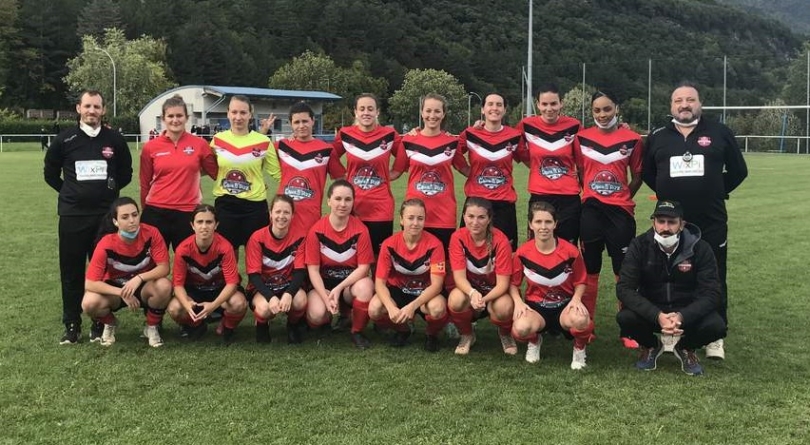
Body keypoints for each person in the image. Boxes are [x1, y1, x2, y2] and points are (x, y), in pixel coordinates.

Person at [643, 82, 748, 360]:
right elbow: (648, 173)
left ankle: (714, 336)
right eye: (679, 100)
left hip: (711, 221)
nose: (684, 105)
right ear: (671, 106)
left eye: (690, 99)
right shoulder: (658, 136)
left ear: (700, 103)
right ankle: (671, 330)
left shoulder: (719, 132)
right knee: (669, 277)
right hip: (670, 224)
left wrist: (716, 189)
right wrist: (669, 194)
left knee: (713, 278)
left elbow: (739, 171)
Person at [44, 89, 132, 345]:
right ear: (78, 109)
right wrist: (71, 193)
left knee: (102, 271)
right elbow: (50, 174)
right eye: (87, 106)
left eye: (97, 107)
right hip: (72, 216)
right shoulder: (65, 139)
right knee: (71, 271)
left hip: (105, 218)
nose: (92, 111)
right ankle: (72, 324)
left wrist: (108, 193)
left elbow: (125, 173)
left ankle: (99, 320)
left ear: (103, 110)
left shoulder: (114, 139)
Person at [616, 200, 726, 376]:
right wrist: (657, 316)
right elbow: (624, 288)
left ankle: (686, 348)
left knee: (717, 326)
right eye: (661, 221)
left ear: (682, 225)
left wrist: (683, 316)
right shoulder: (639, 245)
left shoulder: (701, 248)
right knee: (625, 318)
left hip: (686, 313)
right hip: (653, 312)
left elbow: (712, 293)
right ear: (654, 223)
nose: (665, 227)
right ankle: (651, 346)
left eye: (672, 222)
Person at [573, 90, 643, 349]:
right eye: (597, 110)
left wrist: (623, 195)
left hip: (621, 214)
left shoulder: (633, 139)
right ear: (591, 112)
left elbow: (637, 174)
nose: (602, 114)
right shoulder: (581, 138)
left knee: (622, 273)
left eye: (607, 109)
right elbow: (580, 171)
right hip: (590, 211)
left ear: (616, 108)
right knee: (590, 271)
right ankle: (587, 324)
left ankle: (628, 328)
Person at [510, 201, 594, 370]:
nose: (543, 227)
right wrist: (518, 303)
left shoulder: (570, 252)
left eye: (548, 222)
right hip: (536, 308)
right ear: (530, 224)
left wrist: (576, 299)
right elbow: (513, 283)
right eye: (538, 222)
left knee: (582, 321)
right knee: (520, 328)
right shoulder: (522, 253)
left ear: (555, 224)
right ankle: (534, 341)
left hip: (565, 306)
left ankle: (579, 349)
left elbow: (581, 280)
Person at [80, 197, 172, 348]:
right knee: (89, 303)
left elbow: (164, 268)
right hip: (116, 290)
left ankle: (151, 327)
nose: (132, 220)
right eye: (125, 217)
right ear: (115, 222)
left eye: (135, 215)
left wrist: (139, 278)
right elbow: (90, 283)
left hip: (143, 286)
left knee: (164, 285)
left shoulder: (151, 233)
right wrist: (122, 292)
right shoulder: (106, 243)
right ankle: (110, 324)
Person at [368, 198, 449, 352]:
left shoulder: (435, 244)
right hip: (398, 291)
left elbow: (437, 285)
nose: (415, 223)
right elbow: (379, 283)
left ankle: (431, 334)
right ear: (401, 219)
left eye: (420, 218)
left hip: (425, 293)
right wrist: (391, 307)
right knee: (374, 309)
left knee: (437, 308)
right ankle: (403, 329)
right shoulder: (389, 244)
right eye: (410, 218)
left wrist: (413, 306)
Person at [140, 94, 218, 251]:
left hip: (188, 212)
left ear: (186, 117)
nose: (175, 120)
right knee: (153, 262)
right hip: (156, 211)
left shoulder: (200, 144)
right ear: (163, 118)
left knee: (188, 262)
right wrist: (145, 209)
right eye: (170, 116)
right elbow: (144, 182)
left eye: (179, 116)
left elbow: (216, 172)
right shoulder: (151, 147)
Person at [392, 93, 468, 251]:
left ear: (443, 114)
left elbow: (465, 169)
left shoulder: (452, 143)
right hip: (414, 213)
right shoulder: (407, 141)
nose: (432, 115)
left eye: (437, 111)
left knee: (443, 262)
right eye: (428, 111)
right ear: (421, 112)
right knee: (413, 259)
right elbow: (396, 172)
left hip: (444, 214)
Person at [304, 180, 375, 349]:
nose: (342, 204)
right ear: (328, 201)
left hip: (349, 285)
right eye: (338, 199)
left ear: (353, 202)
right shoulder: (316, 230)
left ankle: (356, 331)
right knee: (317, 314)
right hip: (324, 285)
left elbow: (364, 268)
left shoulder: (361, 229)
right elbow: (313, 270)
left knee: (366, 286)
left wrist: (339, 288)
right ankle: (326, 322)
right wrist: (325, 296)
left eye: (348, 199)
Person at [333, 93, 404, 257]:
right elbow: (329, 156)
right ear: (355, 112)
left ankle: (377, 284)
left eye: (370, 109)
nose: (366, 113)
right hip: (352, 206)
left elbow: (404, 156)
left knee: (379, 257)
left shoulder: (389, 135)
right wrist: (343, 178)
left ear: (377, 112)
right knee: (352, 256)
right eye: (362, 109)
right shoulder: (345, 134)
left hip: (381, 207)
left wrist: (393, 174)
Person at [166, 205, 247, 344]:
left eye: (209, 222)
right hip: (195, 290)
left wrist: (213, 305)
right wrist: (186, 304)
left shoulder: (225, 247)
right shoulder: (183, 250)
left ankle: (228, 326)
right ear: (192, 225)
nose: (204, 226)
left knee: (238, 303)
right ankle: (196, 325)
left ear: (216, 225)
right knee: (175, 308)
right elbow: (178, 284)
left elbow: (232, 283)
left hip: (220, 289)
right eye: (199, 222)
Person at [210, 95, 279, 256]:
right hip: (225, 205)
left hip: (254, 207)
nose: (238, 117)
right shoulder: (217, 140)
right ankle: (233, 282)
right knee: (228, 253)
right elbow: (207, 168)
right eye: (234, 112)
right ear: (227, 113)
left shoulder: (263, 142)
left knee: (255, 253)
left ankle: (253, 282)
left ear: (250, 114)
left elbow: (278, 174)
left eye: (243, 112)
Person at [447, 197, 515, 355]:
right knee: (455, 300)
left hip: (495, 292)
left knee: (504, 307)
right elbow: (459, 277)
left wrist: (483, 300)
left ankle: (505, 334)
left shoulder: (501, 241)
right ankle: (467, 335)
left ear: (489, 219)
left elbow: (503, 284)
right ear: (463, 217)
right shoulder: (457, 238)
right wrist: (472, 293)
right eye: (470, 216)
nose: (475, 222)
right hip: (471, 290)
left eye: (481, 217)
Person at [516, 84, 583, 245]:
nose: (549, 108)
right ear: (538, 104)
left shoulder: (574, 126)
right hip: (540, 195)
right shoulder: (526, 125)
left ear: (561, 103)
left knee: (568, 248)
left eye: (553, 103)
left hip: (569, 197)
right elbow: (513, 147)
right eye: (544, 104)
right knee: (538, 247)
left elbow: (582, 160)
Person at [458, 93, 524, 250]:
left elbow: (531, 159)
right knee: (469, 251)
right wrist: (467, 170)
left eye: (499, 105)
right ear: (482, 109)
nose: (494, 108)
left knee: (505, 252)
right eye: (490, 104)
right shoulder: (470, 134)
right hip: (476, 202)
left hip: (503, 203)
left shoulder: (514, 136)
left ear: (505, 110)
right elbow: (453, 153)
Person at [245, 195, 308, 344]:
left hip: (287, 284)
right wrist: (270, 296)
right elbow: (253, 275)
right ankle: (261, 325)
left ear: (292, 215)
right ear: (270, 213)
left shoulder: (300, 236)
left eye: (286, 212)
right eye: (278, 211)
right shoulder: (257, 238)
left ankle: (292, 325)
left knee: (300, 300)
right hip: (263, 287)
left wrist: (288, 293)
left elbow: (300, 271)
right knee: (264, 308)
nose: (281, 216)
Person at [274, 101, 343, 229]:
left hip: (311, 217)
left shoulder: (327, 150)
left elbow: (341, 181)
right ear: (290, 124)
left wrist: (336, 205)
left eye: (305, 121)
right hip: (282, 214)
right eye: (297, 122)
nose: (301, 126)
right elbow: (256, 157)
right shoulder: (281, 146)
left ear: (313, 121)